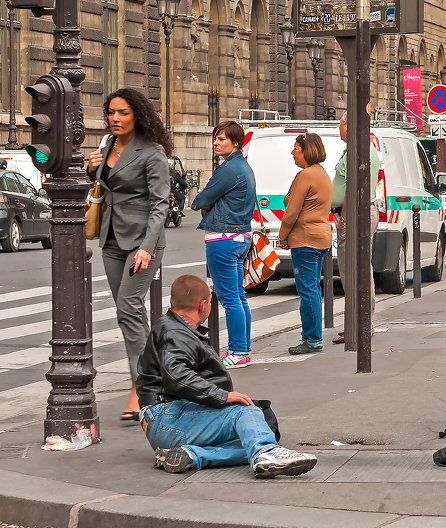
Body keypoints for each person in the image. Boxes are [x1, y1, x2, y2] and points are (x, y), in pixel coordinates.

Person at [137, 274, 318, 477]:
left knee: (257, 431)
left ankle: (194, 455)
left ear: (172, 302)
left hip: (169, 421)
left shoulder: (174, 328)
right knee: (246, 413)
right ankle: (266, 451)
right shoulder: (175, 333)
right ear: (202, 305)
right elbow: (177, 375)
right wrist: (223, 396)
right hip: (167, 418)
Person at [86, 89, 173, 422]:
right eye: (111, 112)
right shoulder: (105, 146)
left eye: (122, 113)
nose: (115, 119)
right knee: (130, 314)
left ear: (137, 114)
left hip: (142, 241)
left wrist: (146, 248)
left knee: (128, 307)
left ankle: (141, 386)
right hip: (111, 238)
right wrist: (89, 166)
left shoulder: (152, 152)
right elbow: (100, 186)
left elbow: (160, 205)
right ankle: (159, 373)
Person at [190, 120, 256, 369]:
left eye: (222, 139)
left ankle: (239, 351)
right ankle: (242, 347)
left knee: (230, 299)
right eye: (215, 138)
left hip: (223, 239)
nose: (216, 143)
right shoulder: (242, 166)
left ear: (236, 143)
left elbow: (201, 198)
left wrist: (199, 201)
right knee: (238, 297)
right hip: (239, 237)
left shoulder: (228, 170)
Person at [279, 133, 334, 355]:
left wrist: (282, 236)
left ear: (306, 151)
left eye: (296, 149)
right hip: (320, 237)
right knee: (313, 288)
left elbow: (291, 212)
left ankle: (312, 339)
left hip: (306, 238)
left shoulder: (305, 175)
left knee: (308, 290)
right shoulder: (322, 174)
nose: (292, 152)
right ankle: (313, 337)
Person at [331, 114, 381, 346]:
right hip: (356, 213)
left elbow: (353, 184)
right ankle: (360, 321)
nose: (338, 129)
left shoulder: (358, 149)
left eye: (340, 124)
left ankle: (359, 323)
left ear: (348, 125)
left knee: (353, 271)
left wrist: (345, 216)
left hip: (353, 214)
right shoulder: (361, 148)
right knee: (359, 270)